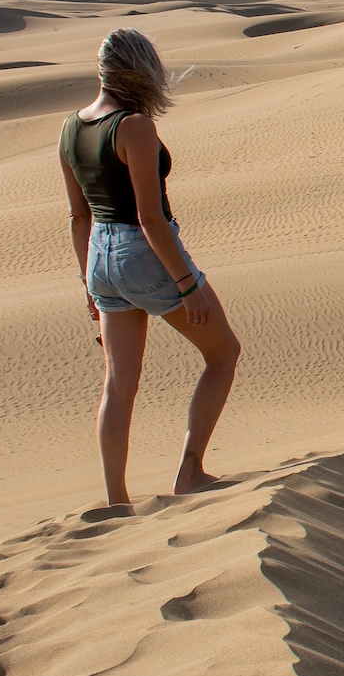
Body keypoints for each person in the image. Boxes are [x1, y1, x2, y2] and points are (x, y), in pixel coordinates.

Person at [59, 29, 241, 506]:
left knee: (118, 386)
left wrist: (89, 291)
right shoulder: (133, 125)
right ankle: (190, 471)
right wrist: (187, 285)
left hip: (99, 256)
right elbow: (149, 216)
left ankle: (117, 500)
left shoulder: (70, 127)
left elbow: (79, 217)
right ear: (140, 68)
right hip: (143, 252)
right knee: (223, 353)